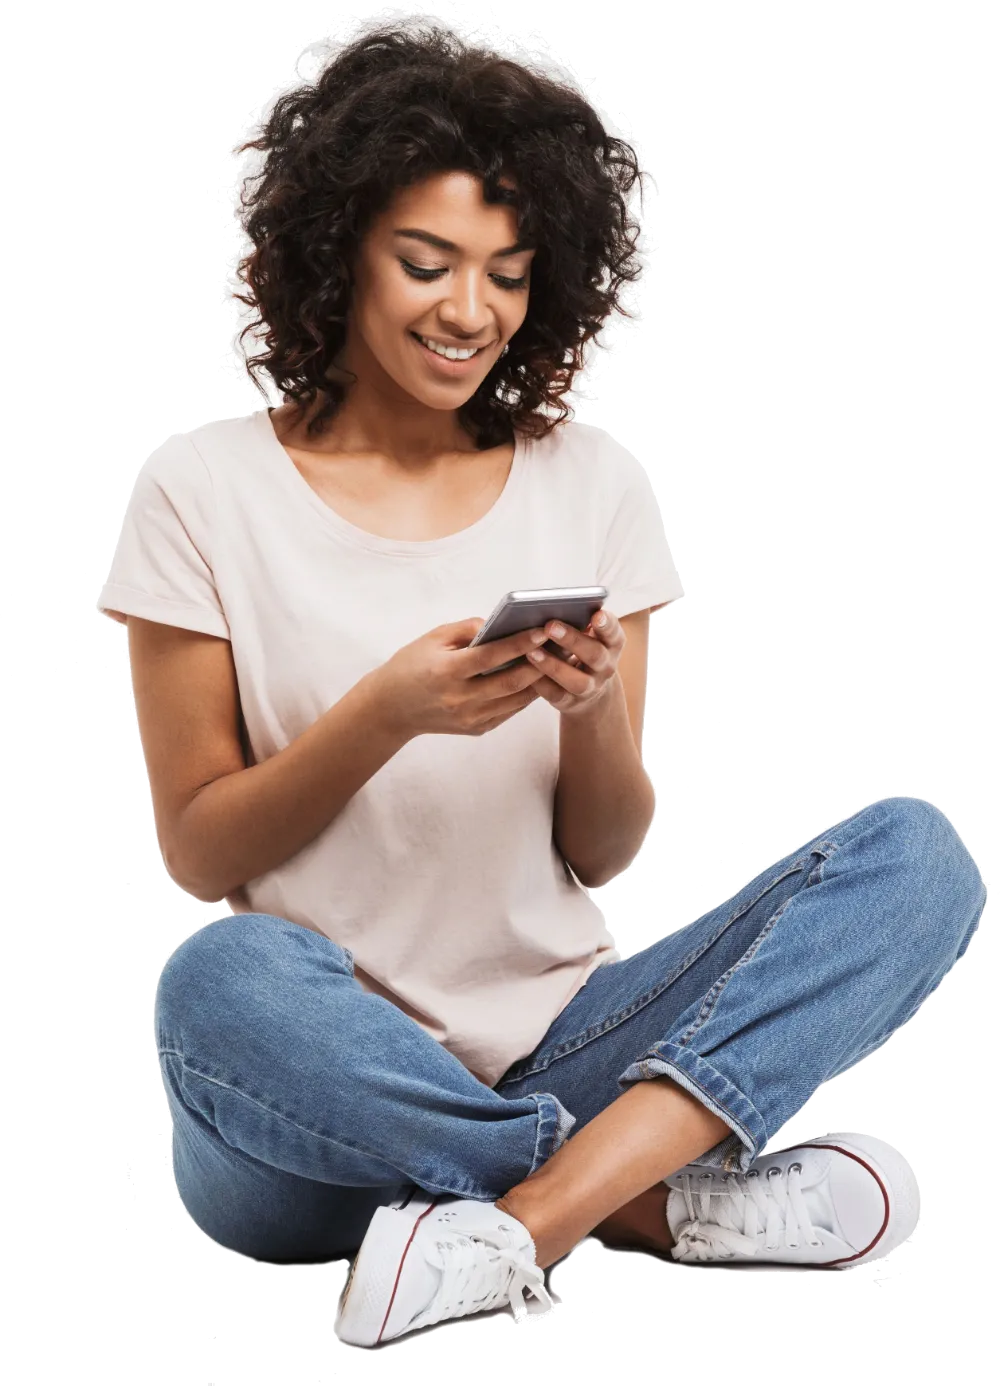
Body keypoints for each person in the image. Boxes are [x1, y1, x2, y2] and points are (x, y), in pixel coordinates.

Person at [98, 23, 987, 1349]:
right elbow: (199, 841)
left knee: (921, 857)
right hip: (306, 1106)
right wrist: (387, 713)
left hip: (556, 1032)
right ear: (336, 253)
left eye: (509, 275)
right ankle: (642, 1200)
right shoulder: (199, 489)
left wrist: (589, 717)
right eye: (427, 262)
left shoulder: (594, 482)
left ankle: (527, 1211)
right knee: (217, 977)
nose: (472, 311)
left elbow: (603, 847)